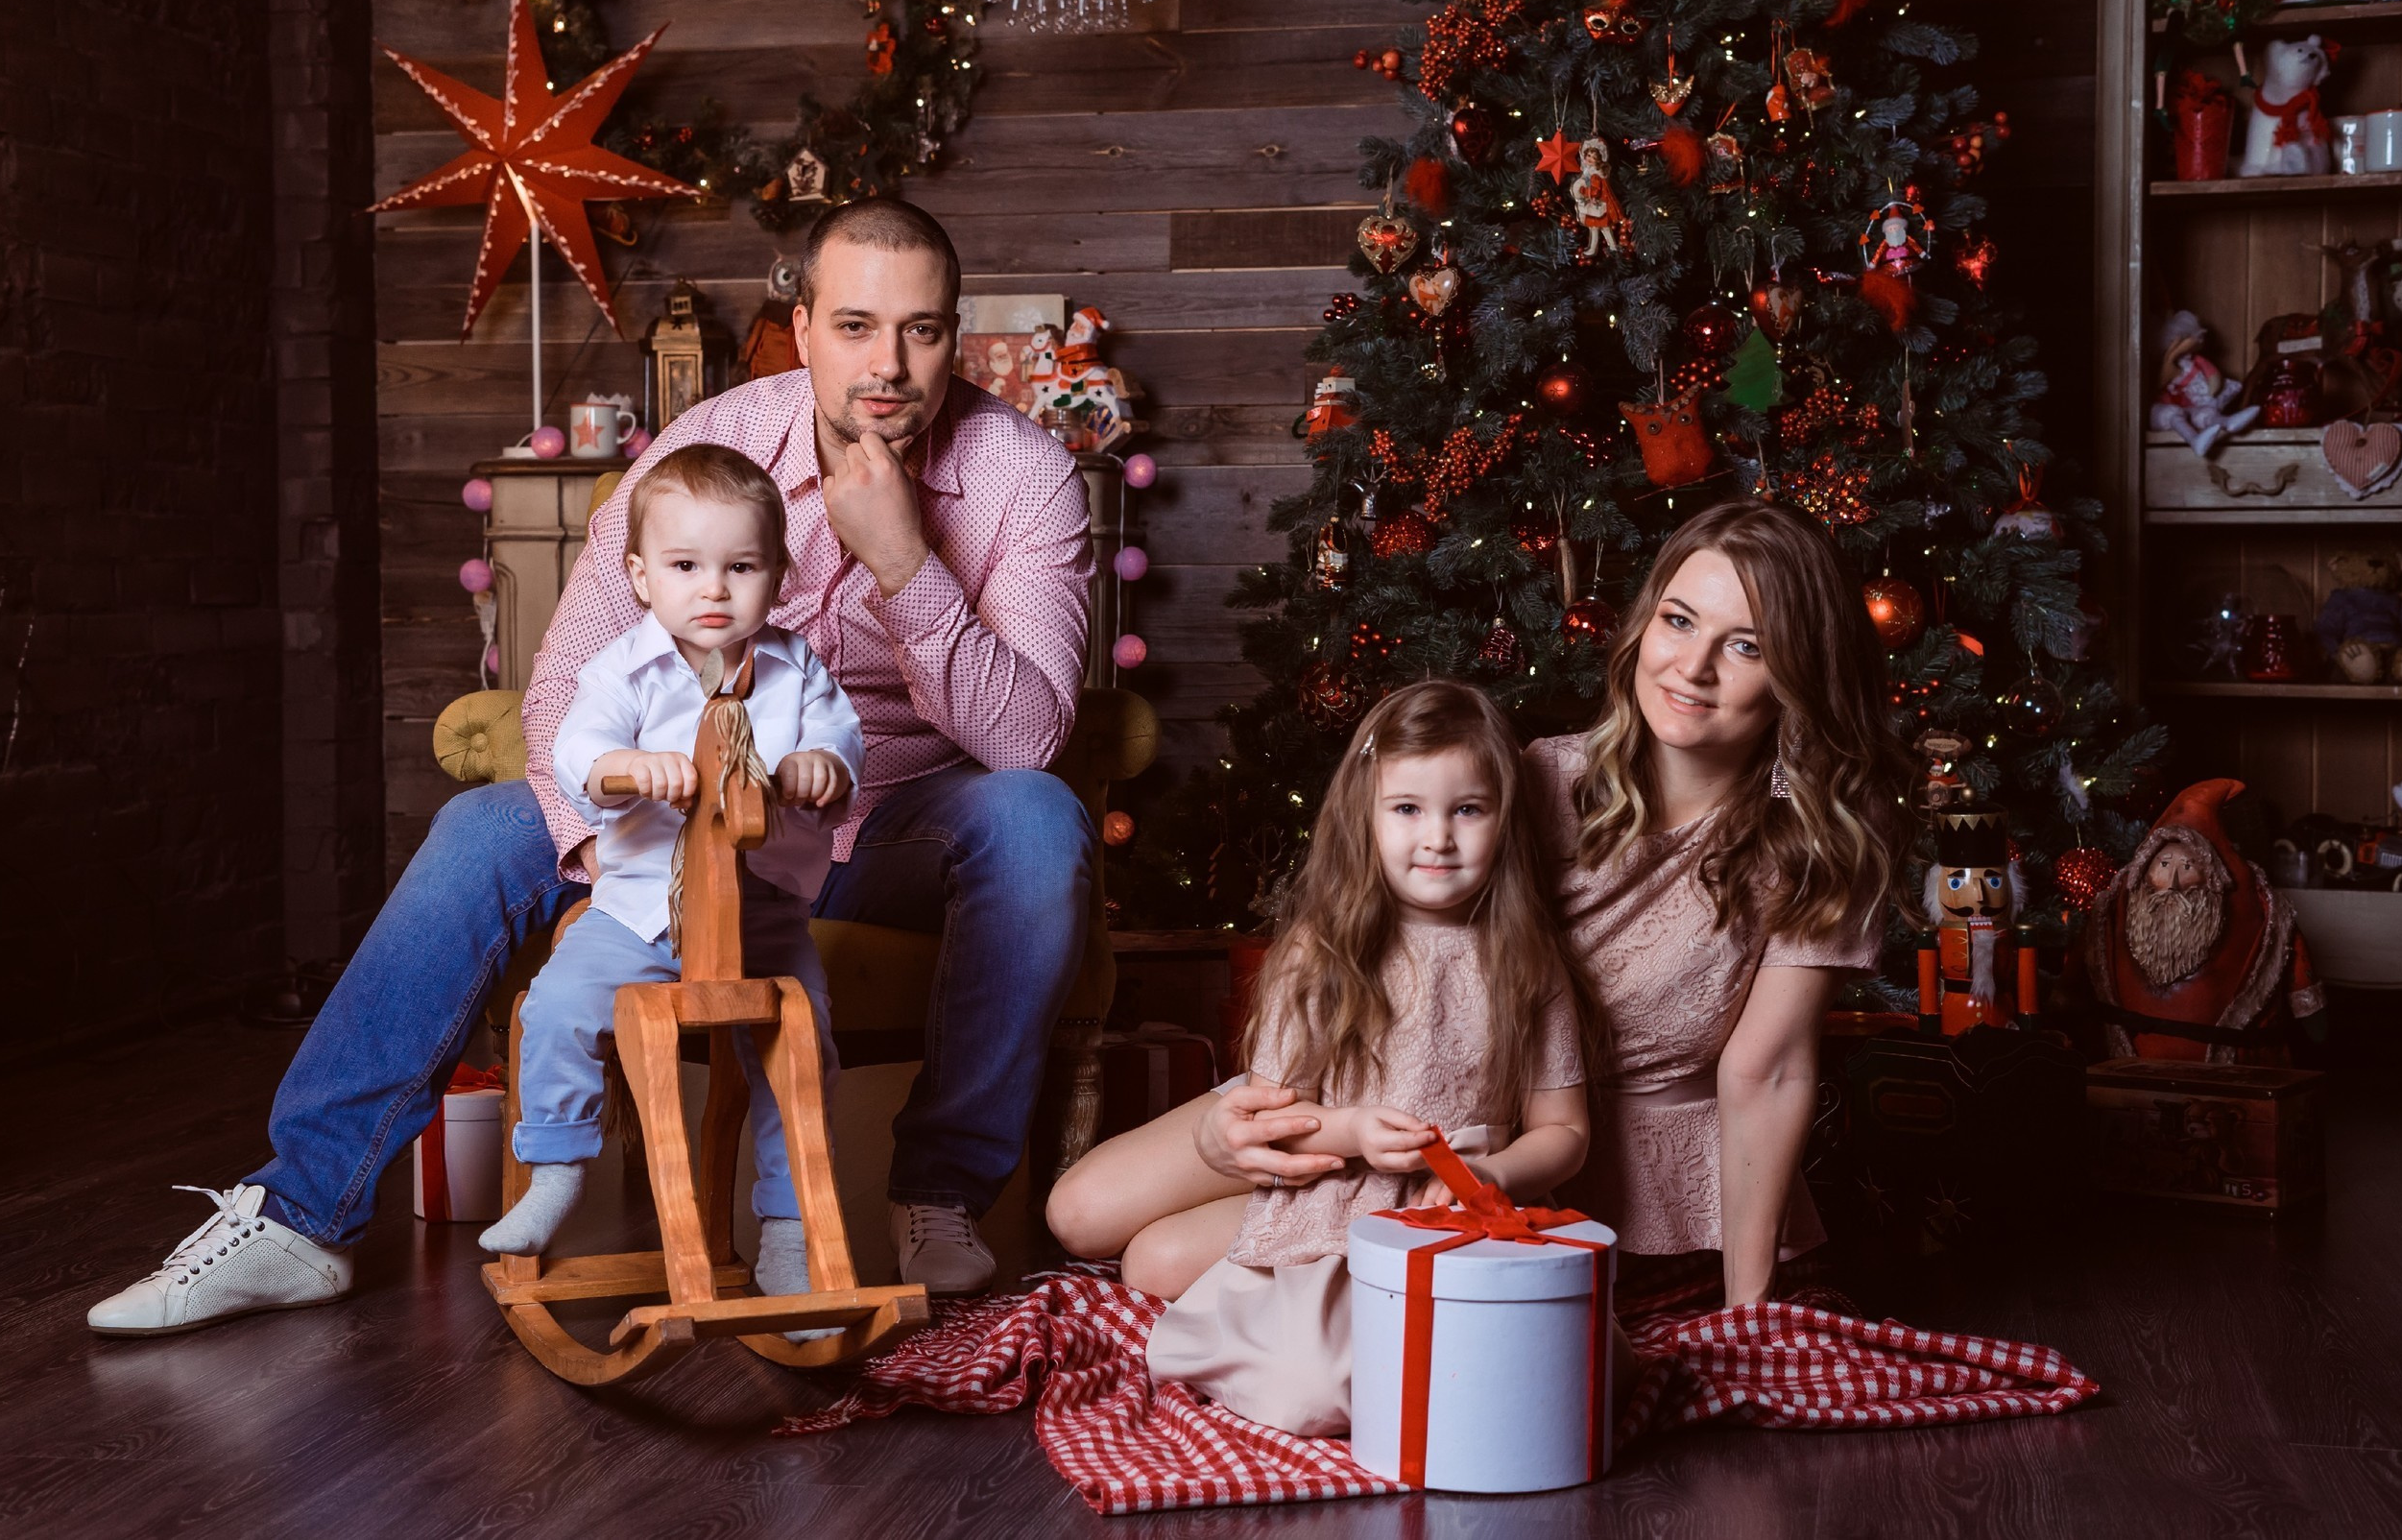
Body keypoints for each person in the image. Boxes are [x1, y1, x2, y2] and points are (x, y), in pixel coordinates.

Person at [90, 198, 1094, 1336]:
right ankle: (297, 1216)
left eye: (921, 332)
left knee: (1035, 818)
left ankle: (942, 1193)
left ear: (954, 337)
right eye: (857, 326)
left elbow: (1026, 740)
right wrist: (646, 866)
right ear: (802, 326)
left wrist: (905, 559)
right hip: (672, 813)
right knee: (480, 830)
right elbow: (566, 678)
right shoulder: (707, 450)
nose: (890, 366)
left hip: (884, 818)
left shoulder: (1022, 477)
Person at [1048, 501, 1910, 1313]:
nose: (1692, 667)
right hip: (1367, 1073)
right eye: (1679, 621)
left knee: (1157, 1261)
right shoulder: (1537, 777)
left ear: (1799, 671)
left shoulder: (1821, 842)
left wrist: (1746, 1310)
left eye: (1747, 645)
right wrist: (1248, 1124)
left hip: (1511, 1134)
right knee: (1079, 1212)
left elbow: (1768, 1071)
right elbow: (1362, 912)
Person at [1136, 681, 1596, 1435]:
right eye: (1408, 808)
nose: (1438, 837)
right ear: (1366, 815)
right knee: (1313, 1389)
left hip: (1457, 1213)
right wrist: (1349, 1132)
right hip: (1336, 1204)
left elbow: (1566, 1131)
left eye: (1467, 809)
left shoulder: (1528, 962)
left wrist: (1495, 1173)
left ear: (1505, 820)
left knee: (1548, 1372)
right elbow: (1273, 1118)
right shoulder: (1319, 958)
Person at [474, 445, 861, 1316]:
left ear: (779, 576)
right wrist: (623, 766)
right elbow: (576, 745)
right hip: (641, 911)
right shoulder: (623, 667)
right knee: (556, 1006)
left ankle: (790, 1229)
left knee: (804, 1048)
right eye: (687, 566)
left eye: (742, 567)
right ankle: (558, 1167)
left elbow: (843, 744)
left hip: (760, 915)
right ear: (642, 576)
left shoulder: (798, 670)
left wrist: (818, 766)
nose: (714, 589)